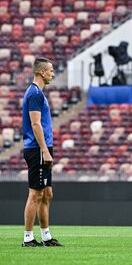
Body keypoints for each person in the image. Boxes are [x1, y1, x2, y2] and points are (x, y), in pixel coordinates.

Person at [22, 57, 63, 247]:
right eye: (51, 70)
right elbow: (35, 124)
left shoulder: (38, 93)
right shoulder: (35, 94)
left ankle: (46, 236)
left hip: (43, 147)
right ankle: (28, 238)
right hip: (38, 148)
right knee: (35, 194)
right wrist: (45, 151)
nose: (53, 74)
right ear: (41, 72)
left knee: (47, 193)